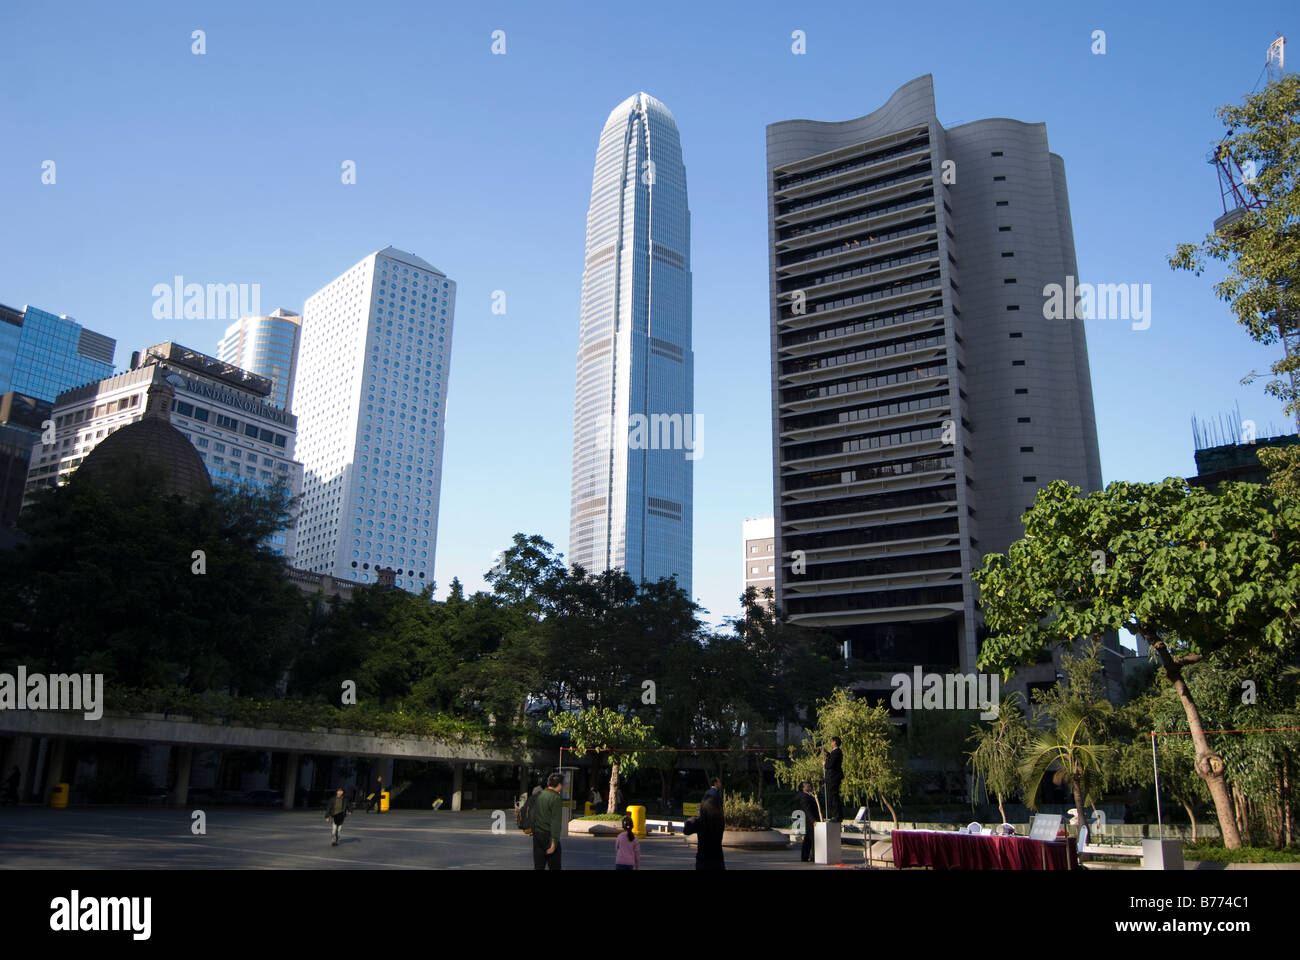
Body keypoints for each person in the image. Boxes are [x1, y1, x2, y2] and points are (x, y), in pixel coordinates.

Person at [532, 772, 564, 871]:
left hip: (537, 836)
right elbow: (555, 821)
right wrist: (554, 841)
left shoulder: (539, 795)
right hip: (549, 836)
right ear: (559, 785)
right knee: (555, 866)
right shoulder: (556, 798)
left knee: (539, 866)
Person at [685, 794, 725, 870]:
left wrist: (689, 821)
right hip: (717, 858)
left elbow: (686, 831)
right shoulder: (720, 821)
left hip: (703, 859)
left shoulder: (700, 822)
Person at [794, 781, 821, 862]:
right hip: (810, 821)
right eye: (806, 785)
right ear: (803, 788)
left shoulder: (810, 795)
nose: (809, 785)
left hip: (813, 820)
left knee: (808, 839)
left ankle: (805, 856)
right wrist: (813, 821)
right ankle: (813, 857)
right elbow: (807, 810)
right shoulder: (804, 797)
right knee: (813, 839)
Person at [822, 737, 843, 821]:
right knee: (833, 796)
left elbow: (830, 765)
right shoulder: (835, 752)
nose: (830, 743)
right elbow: (832, 758)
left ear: (834, 742)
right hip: (832, 777)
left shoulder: (837, 752)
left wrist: (825, 764)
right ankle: (836, 815)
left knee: (834, 797)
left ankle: (837, 816)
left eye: (832, 741)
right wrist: (827, 754)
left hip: (833, 777)